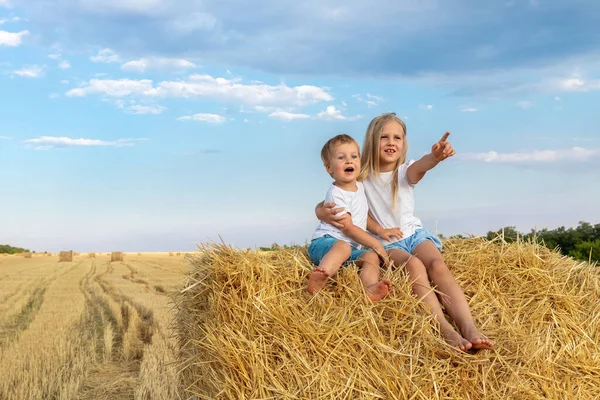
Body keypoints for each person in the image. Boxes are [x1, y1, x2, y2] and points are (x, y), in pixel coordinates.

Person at [316, 113, 493, 351]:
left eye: (397, 137)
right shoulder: (359, 177)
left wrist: (435, 157)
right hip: (387, 243)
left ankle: (469, 326)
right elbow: (343, 204)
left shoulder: (405, 171)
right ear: (371, 141)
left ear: (404, 143)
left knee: (437, 265)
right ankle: (444, 328)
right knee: (414, 266)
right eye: (384, 137)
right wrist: (320, 211)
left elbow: (422, 166)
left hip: (414, 235)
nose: (391, 142)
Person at [307, 134, 392, 302]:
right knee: (344, 246)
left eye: (354, 156)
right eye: (341, 157)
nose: (349, 161)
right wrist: (374, 243)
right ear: (329, 168)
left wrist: (379, 230)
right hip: (325, 244)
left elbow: (362, 217)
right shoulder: (336, 193)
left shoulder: (359, 187)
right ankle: (320, 277)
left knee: (370, 257)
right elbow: (347, 227)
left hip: (349, 250)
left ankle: (370, 289)